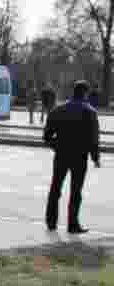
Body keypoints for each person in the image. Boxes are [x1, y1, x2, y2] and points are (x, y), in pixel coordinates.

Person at [44, 80, 101, 234]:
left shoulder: (58, 110)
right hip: (79, 156)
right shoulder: (89, 111)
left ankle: (51, 222)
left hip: (61, 154)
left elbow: (47, 136)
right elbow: (93, 138)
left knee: (55, 188)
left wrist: (57, 147)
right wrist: (95, 157)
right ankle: (72, 224)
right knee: (76, 191)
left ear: (73, 92)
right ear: (85, 93)